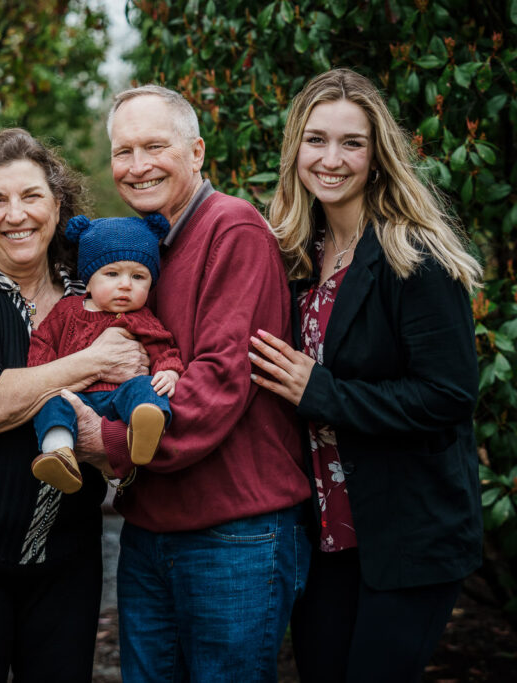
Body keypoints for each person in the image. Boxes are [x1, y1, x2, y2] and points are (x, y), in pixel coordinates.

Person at [65, 84, 313, 681]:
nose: (137, 165)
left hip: (232, 535)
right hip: (151, 528)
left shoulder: (233, 229)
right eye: (123, 152)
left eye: (155, 146)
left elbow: (218, 383)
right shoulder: (146, 248)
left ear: (196, 152)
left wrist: (107, 441)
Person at [248, 68, 483, 682]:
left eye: (351, 143)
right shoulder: (295, 256)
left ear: (377, 155)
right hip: (324, 535)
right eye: (316, 139)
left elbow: (448, 396)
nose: (331, 159)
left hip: (406, 537)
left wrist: (322, 393)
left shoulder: (414, 256)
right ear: (295, 148)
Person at [0, 128, 148, 682]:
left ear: (58, 204)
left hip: (69, 554)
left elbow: (131, 374)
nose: (16, 215)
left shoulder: (90, 284)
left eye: (32, 196)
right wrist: (93, 361)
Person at [29, 213, 182, 493]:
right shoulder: (66, 311)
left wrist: (169, 371)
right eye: (112, 274)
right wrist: (41, 373)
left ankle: (144, 431)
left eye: (138, 277)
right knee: (51, 404)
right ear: (88, 281)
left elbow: (164, 349)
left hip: (120, 399)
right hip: (74, 396)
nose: (125, 284)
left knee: (146, 386)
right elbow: (43, 341)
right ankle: (59, 454)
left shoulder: (142, 318)